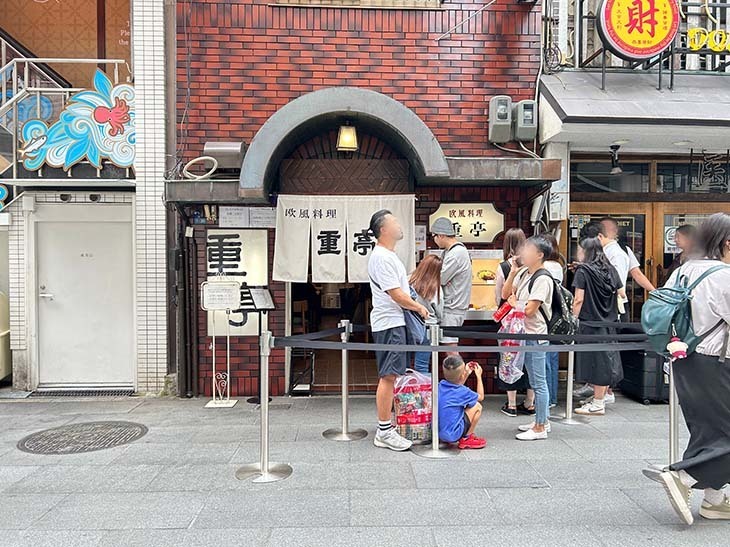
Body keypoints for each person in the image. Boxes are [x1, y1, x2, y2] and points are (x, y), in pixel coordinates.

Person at [644, 213, 730, 525]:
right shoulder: (724, 276)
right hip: (717, 363)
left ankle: (715, 500)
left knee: (710, 429)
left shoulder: (684, 270)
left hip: (684, 360)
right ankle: (684, 475)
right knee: (723, 432)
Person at [368, 209, 429, 451]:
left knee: (391, 375)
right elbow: (395, 294)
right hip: (389, 322)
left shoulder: (388, 256)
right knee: (389, 376)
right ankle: (384, 430)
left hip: (394, 322)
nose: (399, 225)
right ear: (383, 230)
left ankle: (387, 426)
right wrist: (419, 308)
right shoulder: (382, 257)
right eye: (394, 222)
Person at [502, 235, 554, 441]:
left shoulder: (543, 278)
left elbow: (530, 310)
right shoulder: (524, 273)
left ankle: (541, 426)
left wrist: (516, 303)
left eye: (527, 249)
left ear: (539, 255)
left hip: (536, 336)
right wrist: (513, 272)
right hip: (526, 334)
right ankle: (542, 420)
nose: (522, 252)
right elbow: (507, 294)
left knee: (539, 382)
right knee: (533, 379)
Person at [572, 237, 623, 416]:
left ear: (585, 252)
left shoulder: (583, 271)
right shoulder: (611, 269)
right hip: (609, 322)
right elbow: (621, 292)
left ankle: (598, 403)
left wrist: (572, 320)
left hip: (589, 322)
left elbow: (578, 299)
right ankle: (598, 398)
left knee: (595, 363)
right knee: (605, 361)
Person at [495, 228, 534, 417]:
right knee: (529, 359)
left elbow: (499, 296)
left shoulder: (503, 266)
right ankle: (529, 402)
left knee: (508, 358)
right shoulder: (532, 265)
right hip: (529, 319)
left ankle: (511, 404)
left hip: (508, 321)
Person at [431, 217, 472, 348]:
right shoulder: (452, 251)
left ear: (441, 235)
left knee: (451, 349)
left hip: (453, 307)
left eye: (434, 236)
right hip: (453, 307)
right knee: (449, 348)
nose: (434, 239)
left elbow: (441, 278)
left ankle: (461, 369)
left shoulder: (456, 253)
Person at [438, 354, 486, 449]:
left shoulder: (439, 386)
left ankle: (445, 439)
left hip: (438, 433)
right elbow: (481, 397)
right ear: (462, 374)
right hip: (453, 435)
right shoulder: (463, 392)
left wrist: (466, 373)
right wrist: (479, 376)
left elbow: (456, 384)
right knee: (477, 406)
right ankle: (466, 438)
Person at [409, 254, 443, 373]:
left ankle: (404, 390)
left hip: (409, 324)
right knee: (422, 365)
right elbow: (439, 311)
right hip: (429, 328)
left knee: (405, 364)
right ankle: (423, 391)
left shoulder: (409, 281)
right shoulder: (435, 287)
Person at [542, 232, 563, 408]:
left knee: (546, 359)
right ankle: (553, 397)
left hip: (546, 315)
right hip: (556, 315)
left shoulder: (546, 266)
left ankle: (547, 398)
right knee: (552, 358)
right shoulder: (558, 265)